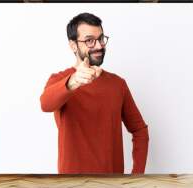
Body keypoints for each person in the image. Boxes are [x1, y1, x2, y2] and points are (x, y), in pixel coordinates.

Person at [40, 12, 149, 174]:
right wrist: (73, 81)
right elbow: (46, 104)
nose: (98, 46)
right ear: (73, 45)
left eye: (101, 39)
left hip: (112, 186)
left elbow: (140, 130)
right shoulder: (60, 79)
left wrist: (137, 175)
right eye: (89, 40)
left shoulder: (118, 84)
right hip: (70, 186)